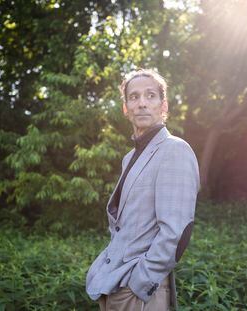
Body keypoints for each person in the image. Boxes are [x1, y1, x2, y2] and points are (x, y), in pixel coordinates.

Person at [86, 69, 200, 310]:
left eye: (150, 96)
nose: (142, 104)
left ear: (164, 105)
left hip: (142, 294)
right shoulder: (129, 158)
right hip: (111, 285)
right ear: (125, 108)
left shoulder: (175, 150)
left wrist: (139, 284)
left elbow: (176, 231)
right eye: (134, 97)